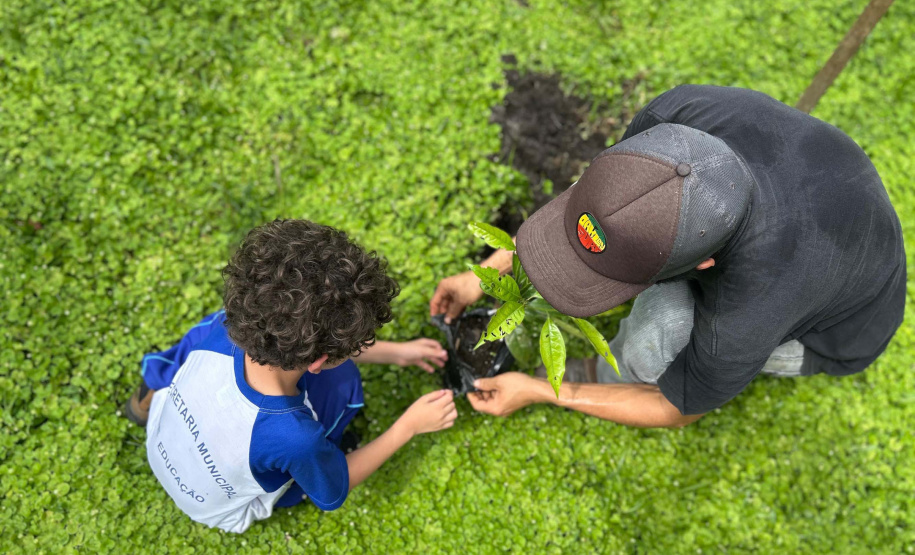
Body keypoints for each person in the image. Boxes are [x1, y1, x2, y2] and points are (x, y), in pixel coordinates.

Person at [431, 85, 905, 428]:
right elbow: (603, 192)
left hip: (835, 329)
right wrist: (496, 267)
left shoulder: (748, 312)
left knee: (660, 327)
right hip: (816, 197)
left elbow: (678, 407)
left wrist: (546, 391)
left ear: (703, 265)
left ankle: (603, 371)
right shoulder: (677, 118)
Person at [125, 219, 457, 533]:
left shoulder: (221, 327)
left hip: (159, 441)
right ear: (321, 360)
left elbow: (319, 349)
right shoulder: (296, 438)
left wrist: (397, 353)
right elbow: (331, 492)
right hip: (221, 512)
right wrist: (409, 426)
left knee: (182, 358)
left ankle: (141, 403)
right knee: (344, 386)